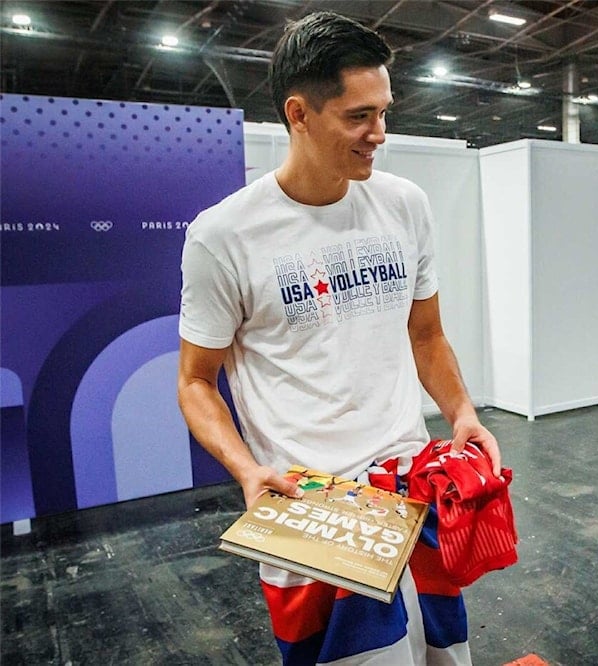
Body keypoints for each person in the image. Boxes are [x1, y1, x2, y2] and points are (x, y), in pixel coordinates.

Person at [176, 11, 500, 665]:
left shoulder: (404, 203)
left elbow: (427, 333)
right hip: (311, 510)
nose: (379, 134)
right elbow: (194, 382)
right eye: (359, 116)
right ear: (299, 112)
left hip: (413, 493)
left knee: (443, 657)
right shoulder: (224, 234)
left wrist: (463, 413)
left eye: (383, 111)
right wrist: (246, 470)